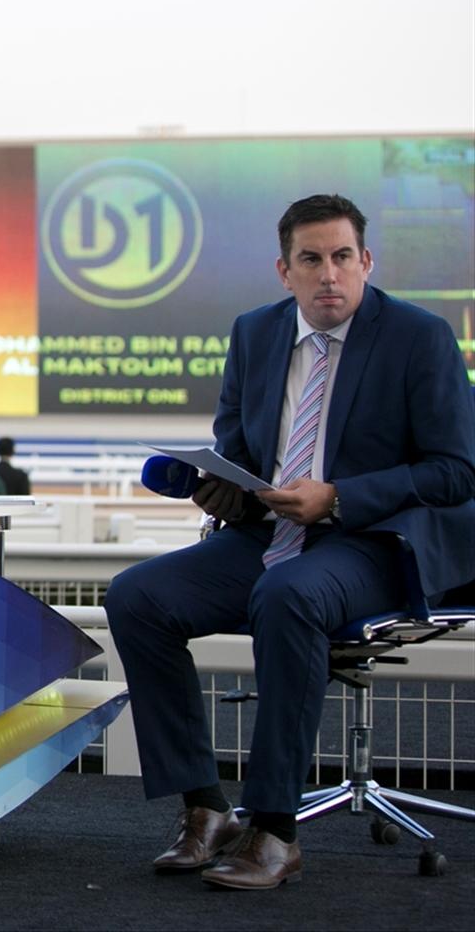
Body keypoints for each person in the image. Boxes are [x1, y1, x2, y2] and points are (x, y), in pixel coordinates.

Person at [103, 194, 475, 890]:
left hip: (373, 541)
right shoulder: (255, 333)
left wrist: (337, 497)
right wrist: (223, 487)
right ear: (285, 270)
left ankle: (274, 830)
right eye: (311, 259)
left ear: (366, 262)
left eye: (342, 257)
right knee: (136, 596)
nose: (328, 274)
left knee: (287, 594)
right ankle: (206, 808)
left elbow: (456, 471)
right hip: (270, 532)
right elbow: (239, 448)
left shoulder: (419, 337)